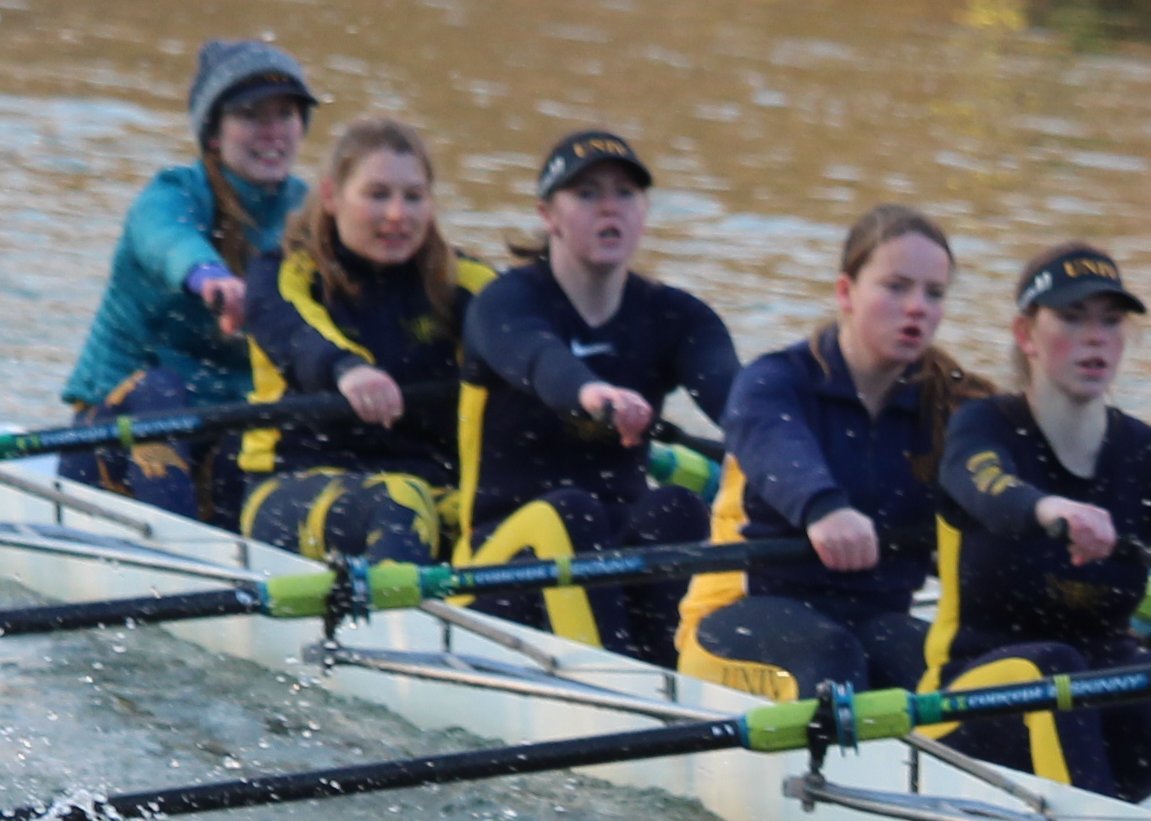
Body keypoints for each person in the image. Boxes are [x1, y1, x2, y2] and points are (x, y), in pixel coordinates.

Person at [930, 244, 1151, 802]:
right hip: (971, 700)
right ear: (1026, 335)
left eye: (1110, 321)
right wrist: (1050, 509)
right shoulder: (983, 428)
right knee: (1057, 669)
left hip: (1097, 706)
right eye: (1072, 318)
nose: (1095, 336)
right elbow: (988, 490)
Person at [679, 206, 986, 697]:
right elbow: (778, 447)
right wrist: (823, 508)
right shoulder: (774, 382)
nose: (917, 308)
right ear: (846, 292)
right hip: (740, 615)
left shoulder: (952, 408)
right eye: (896, 287)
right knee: (829, 654)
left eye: (934, 294)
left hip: (873, 620)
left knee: (942, 666)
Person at [460, 125, 737, 655]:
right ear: (548, 215)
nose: (609, 208)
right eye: (587, 194)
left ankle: (677, 673)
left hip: (614, 552)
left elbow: (741, 403)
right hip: (498, 557)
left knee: (678, 508)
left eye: (625, 194)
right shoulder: (505, 302)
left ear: (644, 212)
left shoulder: (677, 316)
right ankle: (620, 690)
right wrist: (592, 395)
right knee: (571, 512)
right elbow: (539, 359)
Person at [62, 38, 316, 517]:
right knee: (161, 391)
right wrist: (211, 279)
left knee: (269, 424)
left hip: (220, 441)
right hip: (108, 445)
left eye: (285, 115)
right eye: (251, 115)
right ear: (214, 134)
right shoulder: (170, 195)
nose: (272, 132)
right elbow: (168, 241)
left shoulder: (311, 214)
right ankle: (182, 548)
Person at [229, 113, 488, 567]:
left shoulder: (462, 283)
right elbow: (296, 336)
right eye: (377, 194)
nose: (397, 215)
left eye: (413, 197)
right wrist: (347, 370)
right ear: (331, 195)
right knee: (398, 503)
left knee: (519, 512)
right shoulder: (283, 273)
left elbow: (531, 333)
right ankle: (398, 634)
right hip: (289, 484)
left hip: (432, 487)